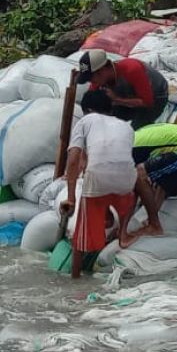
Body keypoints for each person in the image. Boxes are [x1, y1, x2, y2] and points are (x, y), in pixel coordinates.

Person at [60, 89, 138, 278]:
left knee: (81, 236)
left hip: (98, 177)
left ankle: (75, 278)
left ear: (88, 110)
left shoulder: (86, 121)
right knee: (123, 204)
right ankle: (121, 233)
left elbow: (73, 159)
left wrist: (71, 198)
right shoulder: (126, 126)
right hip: (127, 178)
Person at [76, 49, 169, 129]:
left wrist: (117, 100)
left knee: (136, 131)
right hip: (126, 97)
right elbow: (91, 102)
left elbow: (147, 102)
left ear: (102, 71)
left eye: (91, 78)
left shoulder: (132, 69)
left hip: (155, 97)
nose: (91, 82)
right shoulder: (98, 81)